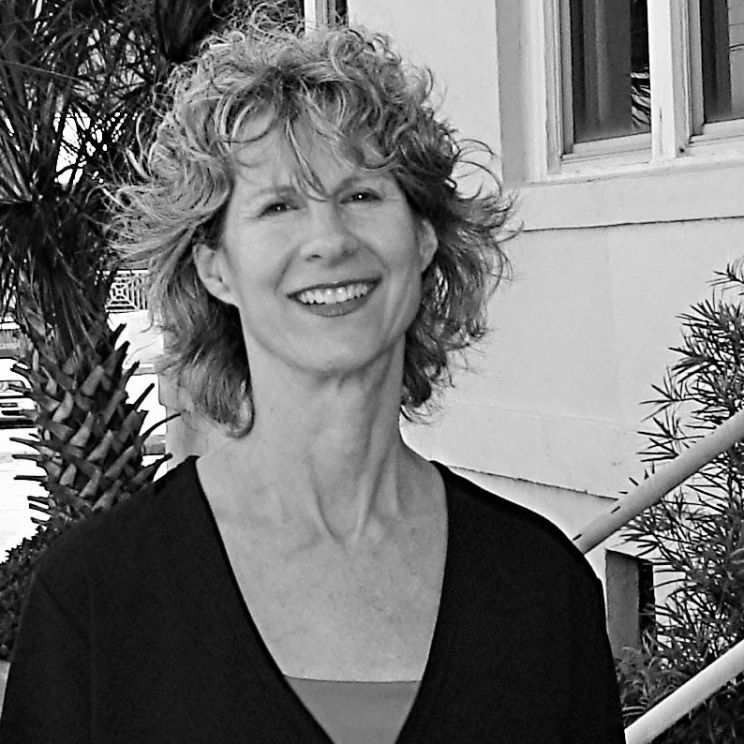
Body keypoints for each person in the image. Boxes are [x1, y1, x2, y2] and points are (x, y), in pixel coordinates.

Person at [0, 17, 625, 744]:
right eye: (278, 206)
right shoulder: (97, 600)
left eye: (361, 195)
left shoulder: (539, 587)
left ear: (424, 238)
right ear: (216, 267)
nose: (329, 240)